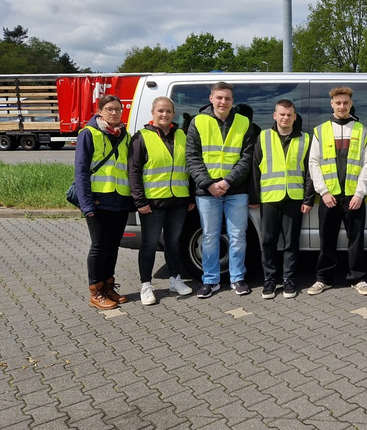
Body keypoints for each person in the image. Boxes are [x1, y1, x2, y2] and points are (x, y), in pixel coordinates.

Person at [185, 82, 255, 299]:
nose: (223, 102)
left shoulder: (244, 122)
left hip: (236, 189)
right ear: (211, 98)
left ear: (232, 101)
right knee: (210, 237)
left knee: (237, 237)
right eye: (220, 98)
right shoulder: (198, 122)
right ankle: (210, 280)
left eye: (228, 98)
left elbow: (247, 157)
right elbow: (192, 157)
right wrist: (209, 184)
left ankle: (237, 278)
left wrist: (227, 182)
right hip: (207, 191)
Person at [307, 86, 367, 296]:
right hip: (330, 197)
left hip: (354, 197)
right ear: (332, 104)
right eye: (338, 103)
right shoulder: (320, 130)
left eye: (346, 103)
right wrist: (324, 192)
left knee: (356, 240)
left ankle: (358, 278)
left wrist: (360, 193)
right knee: (327, 239)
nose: (342, 106)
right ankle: (323, 279)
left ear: (351, 103)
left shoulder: (362, 130)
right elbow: (314, 163)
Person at [128, 96, 195, 306]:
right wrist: (140, 201)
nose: (164, 114)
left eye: (168, 111)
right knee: (149, 244)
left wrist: (191, 196)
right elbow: (134, 171)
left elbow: (190, 168)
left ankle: (175, 279)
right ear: (153, 113)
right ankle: (146, 285)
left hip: (178, 201)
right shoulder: (141, 137)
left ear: (173, 113)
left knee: (174, 242)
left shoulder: (183, 135)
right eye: (160, 111)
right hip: (153, 202)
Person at [250, 100, 315, 299]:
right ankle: (269, 280)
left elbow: (310, 172)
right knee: (268, 241)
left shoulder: (305, 139)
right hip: (269, 198)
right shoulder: (263, 137)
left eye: (289, 114)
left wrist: (308, 199)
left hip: (294, 198)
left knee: (291, 243)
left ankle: (289, 281)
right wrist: (254, 197)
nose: (285, 118)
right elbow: (254, 168)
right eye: (282, 114)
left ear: (294, 117)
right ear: (275, 115)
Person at [75, 95, 134, 310]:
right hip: (98, 201)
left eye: (118, 109)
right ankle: (95, 291)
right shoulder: (88, 134)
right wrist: (87, 204)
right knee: (99, 247)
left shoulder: (125, 135)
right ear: (100, 111)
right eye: (109, 109)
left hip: (120, 200)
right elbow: (80, 171)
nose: (114, 113)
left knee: (113, 246)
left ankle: (109, 286)